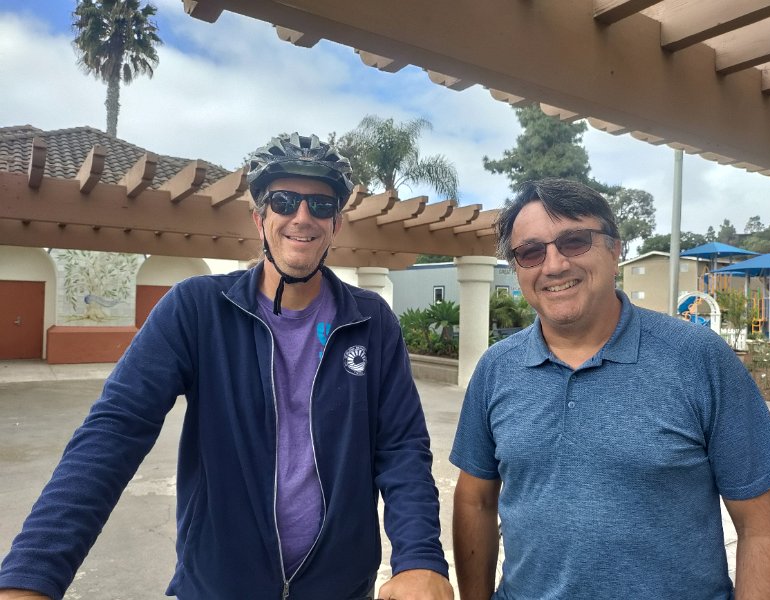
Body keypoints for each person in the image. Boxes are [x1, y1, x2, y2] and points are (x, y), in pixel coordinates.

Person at [0, 133, 453, 600]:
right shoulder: (196, 308)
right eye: (284, 201)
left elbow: (401, 446)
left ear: (335, 224)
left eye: (320, 205)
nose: (302, 216)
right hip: (219, 585)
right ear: (260, 218)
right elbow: (115, 428)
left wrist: (419, 558)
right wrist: (32, 573)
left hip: (339, 587)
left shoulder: (371, 320)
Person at [450, 178, 770, 599]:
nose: (554, 265)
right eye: (531, 252)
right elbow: (475, 501)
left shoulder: (697, 358)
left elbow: (764, 526)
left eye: (574, 241)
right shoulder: (496, 369)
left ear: (615, 249)